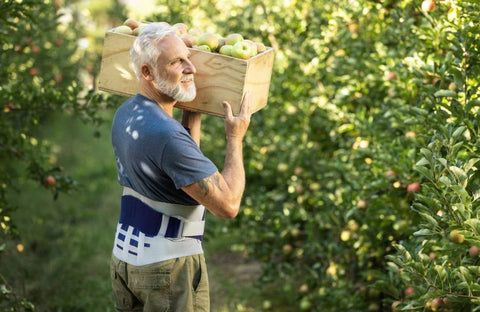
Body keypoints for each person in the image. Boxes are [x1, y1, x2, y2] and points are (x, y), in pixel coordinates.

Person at [109, 22, 252, 312]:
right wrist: (234, 138)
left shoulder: (128, 114)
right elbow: (228, 205)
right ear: (147, 72)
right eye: (177, 62)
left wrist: (192, 110)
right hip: (166, 271)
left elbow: (180, 171)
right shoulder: (167, 136)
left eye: (188, 58)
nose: (192, 68)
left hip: (127, 261)